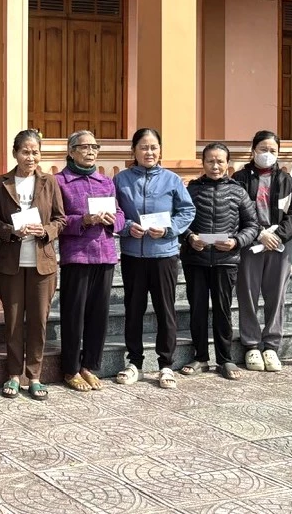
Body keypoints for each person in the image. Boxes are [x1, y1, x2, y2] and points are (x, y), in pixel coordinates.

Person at [113, 128, 195, 389]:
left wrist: (169, 228)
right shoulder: (121, 180)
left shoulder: (172, 180)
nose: (149, 152)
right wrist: (126, 227)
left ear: (160, 150)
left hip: (164, 255)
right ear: (134, 151)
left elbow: (187, 210)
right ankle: (134, 362)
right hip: (133, 254)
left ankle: (166, 364)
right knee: (133, 309)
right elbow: (114, 211)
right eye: (144, 147)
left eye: (154, 147)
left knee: (165, 310)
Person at [0, 129, 66, 401]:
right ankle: (12, 374)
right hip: (12, 262)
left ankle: (34, 376)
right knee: (12, 322)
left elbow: (60, 219)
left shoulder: (50, 182)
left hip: (42, 264)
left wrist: (44, 230)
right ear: (15, 153)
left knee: (38, 321)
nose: (30, 157)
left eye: (35, 152)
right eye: (25, 151)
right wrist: (11, 231)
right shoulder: (1, 182)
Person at [179, 143, 259, 381]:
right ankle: (200, 357)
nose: (215, 166)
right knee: (198, 309)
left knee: (223, 311)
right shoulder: (191, 190)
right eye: (210, 161)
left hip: (226, 260)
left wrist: (236, 242)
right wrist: (190, 237)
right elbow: (181, 220)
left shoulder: (238, 192)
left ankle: (225, 359)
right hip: (196, 259)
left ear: (228, 164)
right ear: (202, 163)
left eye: (220, 161)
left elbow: (252, 225)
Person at [54, 130, 123, 392]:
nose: (90, 151)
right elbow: (57, 219)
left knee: (98, 316)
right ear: (71, 151)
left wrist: (112, 221)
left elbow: (120, 214)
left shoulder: (106, 181)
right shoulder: (60, 182)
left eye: (94, 146)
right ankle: (71, 368)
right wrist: (83, 220)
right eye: (84, 147)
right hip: (77, 255)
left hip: (105, 254)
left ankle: (89, 365)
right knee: (74, 315)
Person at [232, 130, 292, 372]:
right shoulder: (239, 179)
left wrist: (277, 235)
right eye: (263, 149)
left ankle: (271, 345)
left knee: (276, 295)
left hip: (279, 246)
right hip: (250, 244)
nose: (267, 154)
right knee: (248, 294)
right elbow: (235, 210)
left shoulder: (287, 181)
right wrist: (259, 232)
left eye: (273, 150)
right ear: (253, 150)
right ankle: (251, 344)